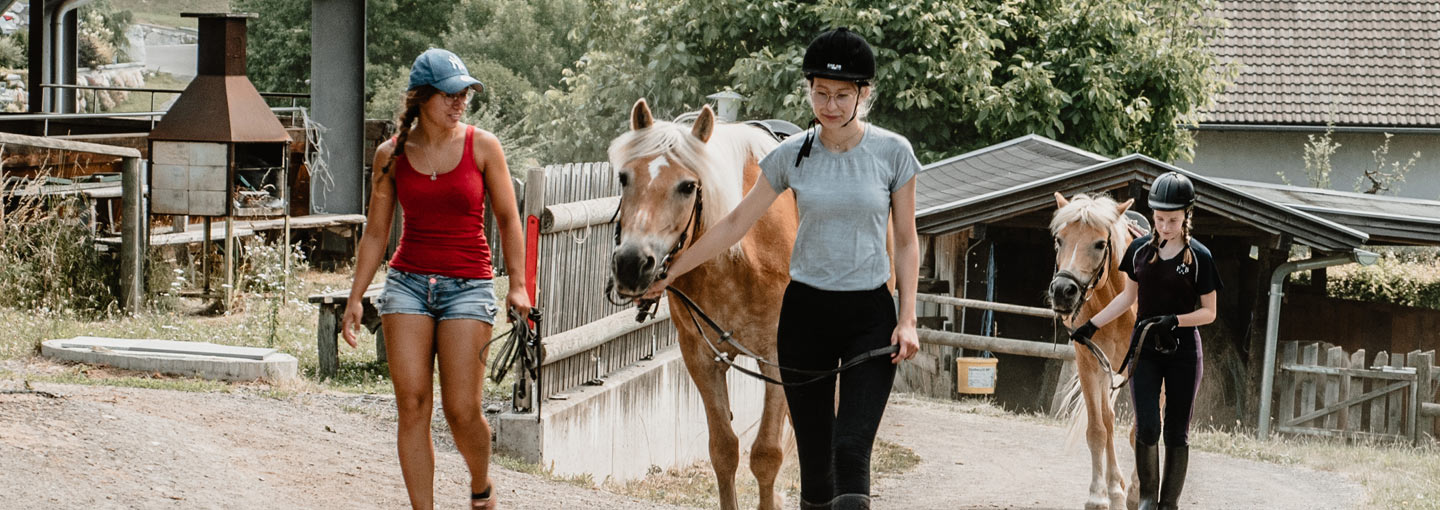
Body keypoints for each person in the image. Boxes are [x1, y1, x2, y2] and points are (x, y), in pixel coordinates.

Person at [644, 27, 920, 510]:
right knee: (815, 463)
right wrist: (670, 272)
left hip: (870, 316)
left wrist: (908, 317)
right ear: (808, 89)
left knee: (850, 450)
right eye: (820, 93)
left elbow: (905, 240)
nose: (829, 105)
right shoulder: (790, 155)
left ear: (864, 94)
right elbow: (734, 224)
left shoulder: (893, 153)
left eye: (842, 95)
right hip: (805, 317)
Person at [341, 48, 530, 510]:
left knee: (461, 410)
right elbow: (376, 232)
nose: (459, 102)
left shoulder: (483, 147)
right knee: (412, 405)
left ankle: (481, 486)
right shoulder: (391, 155)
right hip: (407, 283)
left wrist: (519, 284)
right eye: (450, 94)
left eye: (465, 93)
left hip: (468, 285)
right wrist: (355, 297)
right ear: (422, 97)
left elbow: (509, 219)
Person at [1070, 172, 1221, 510]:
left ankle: (1168, 505)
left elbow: (1210, 312)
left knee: (1176, 432)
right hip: (1145, 351)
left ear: (1186, 216)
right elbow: (1126, 299)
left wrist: (1176, 320)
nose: (1165, 226)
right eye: (1160, 219)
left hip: (1184, 352)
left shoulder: (1200, 256)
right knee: (1148, 427)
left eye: (1173, 220)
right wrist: (1091, 325)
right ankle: (1147, 503)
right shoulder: (1138, 251)